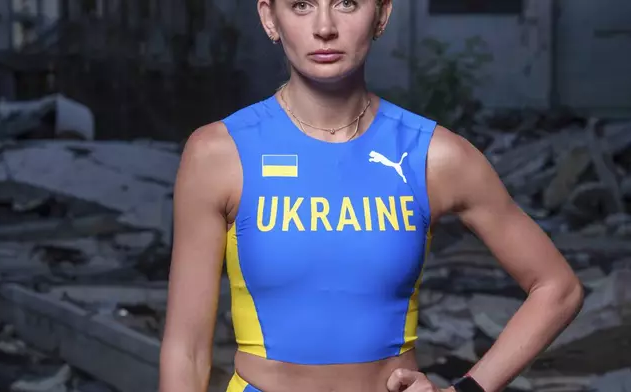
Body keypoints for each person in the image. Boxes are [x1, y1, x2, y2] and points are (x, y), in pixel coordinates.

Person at [159, 1, 584, 391]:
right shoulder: (220, 152)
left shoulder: (434, 155)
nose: (324, 27)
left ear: (381, 15)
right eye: (302, 5)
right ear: (270, 18)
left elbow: (557, 288)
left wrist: (465, 390)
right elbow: (186, 350)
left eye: (347, 3)